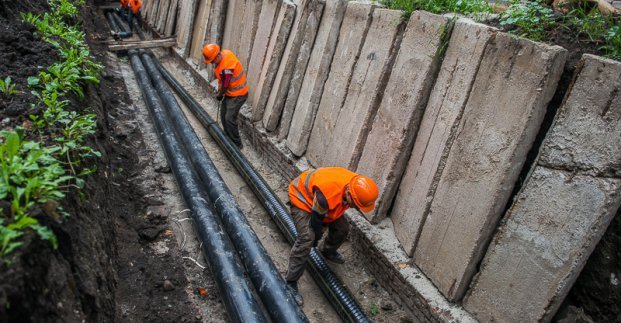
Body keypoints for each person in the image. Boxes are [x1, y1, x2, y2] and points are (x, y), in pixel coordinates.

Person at [284, 167, 379, 306]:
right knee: (307, 239)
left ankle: (327, 250)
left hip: (325, 203)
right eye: (356, 204)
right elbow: (317, 220)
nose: (357, 208)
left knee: (342, 228)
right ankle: (290, 281)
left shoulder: (356, 185)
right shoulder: (326, 196)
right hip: (302, 199)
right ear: (348, 193)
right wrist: (315, 238)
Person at [202, 43, 248, 149]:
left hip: (238, 94)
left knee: (229, 118)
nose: (212, 63)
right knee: (223, 116)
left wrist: (219, 95)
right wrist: (220, 90)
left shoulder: (226, 66)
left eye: (213, 61)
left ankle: (237, 144)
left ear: (218, 56)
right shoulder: (225, 54)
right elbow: (222, 81)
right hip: (230, 93)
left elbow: (225, 84)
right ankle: (227, 139)